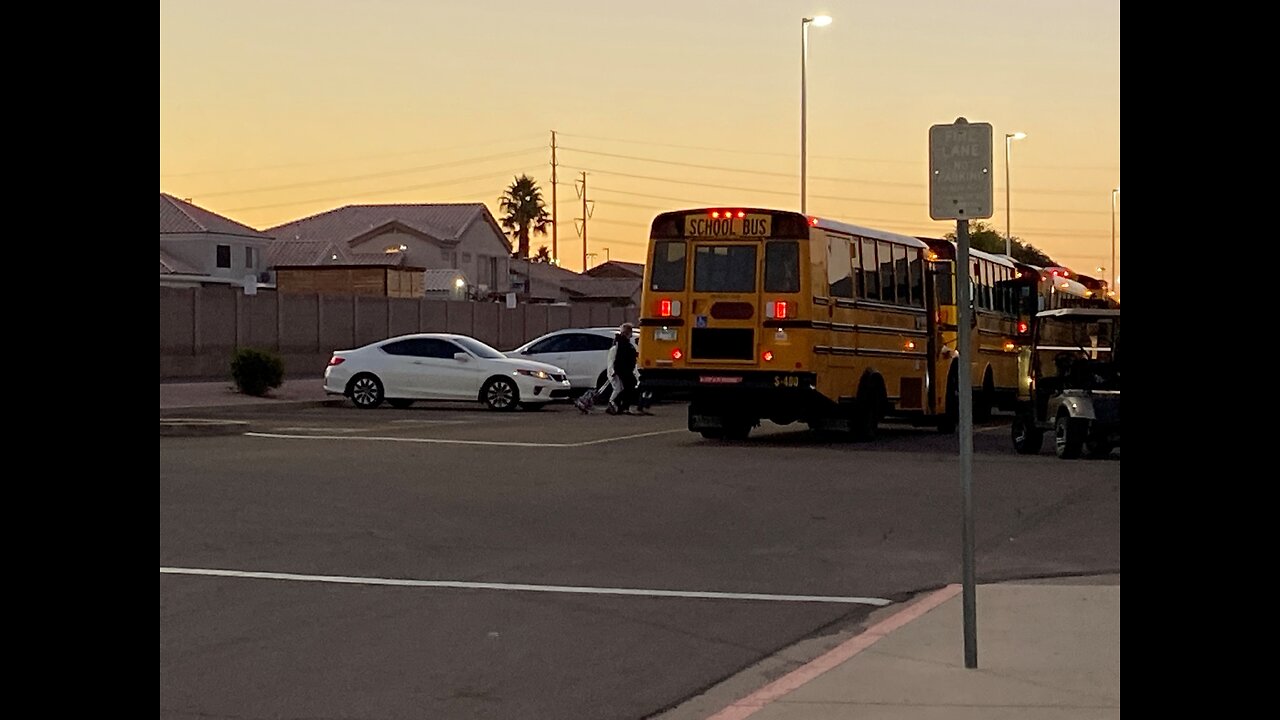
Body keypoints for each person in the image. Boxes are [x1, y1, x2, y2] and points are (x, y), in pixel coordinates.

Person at [606, 323, 640, 415]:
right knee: (621, 388)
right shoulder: (619, 346)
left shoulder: (624, 345)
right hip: (621, 371)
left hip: (624, 371)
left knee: (626, 387)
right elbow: (612, 360)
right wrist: (612, 371)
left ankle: (621, 406)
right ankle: (614, 403)